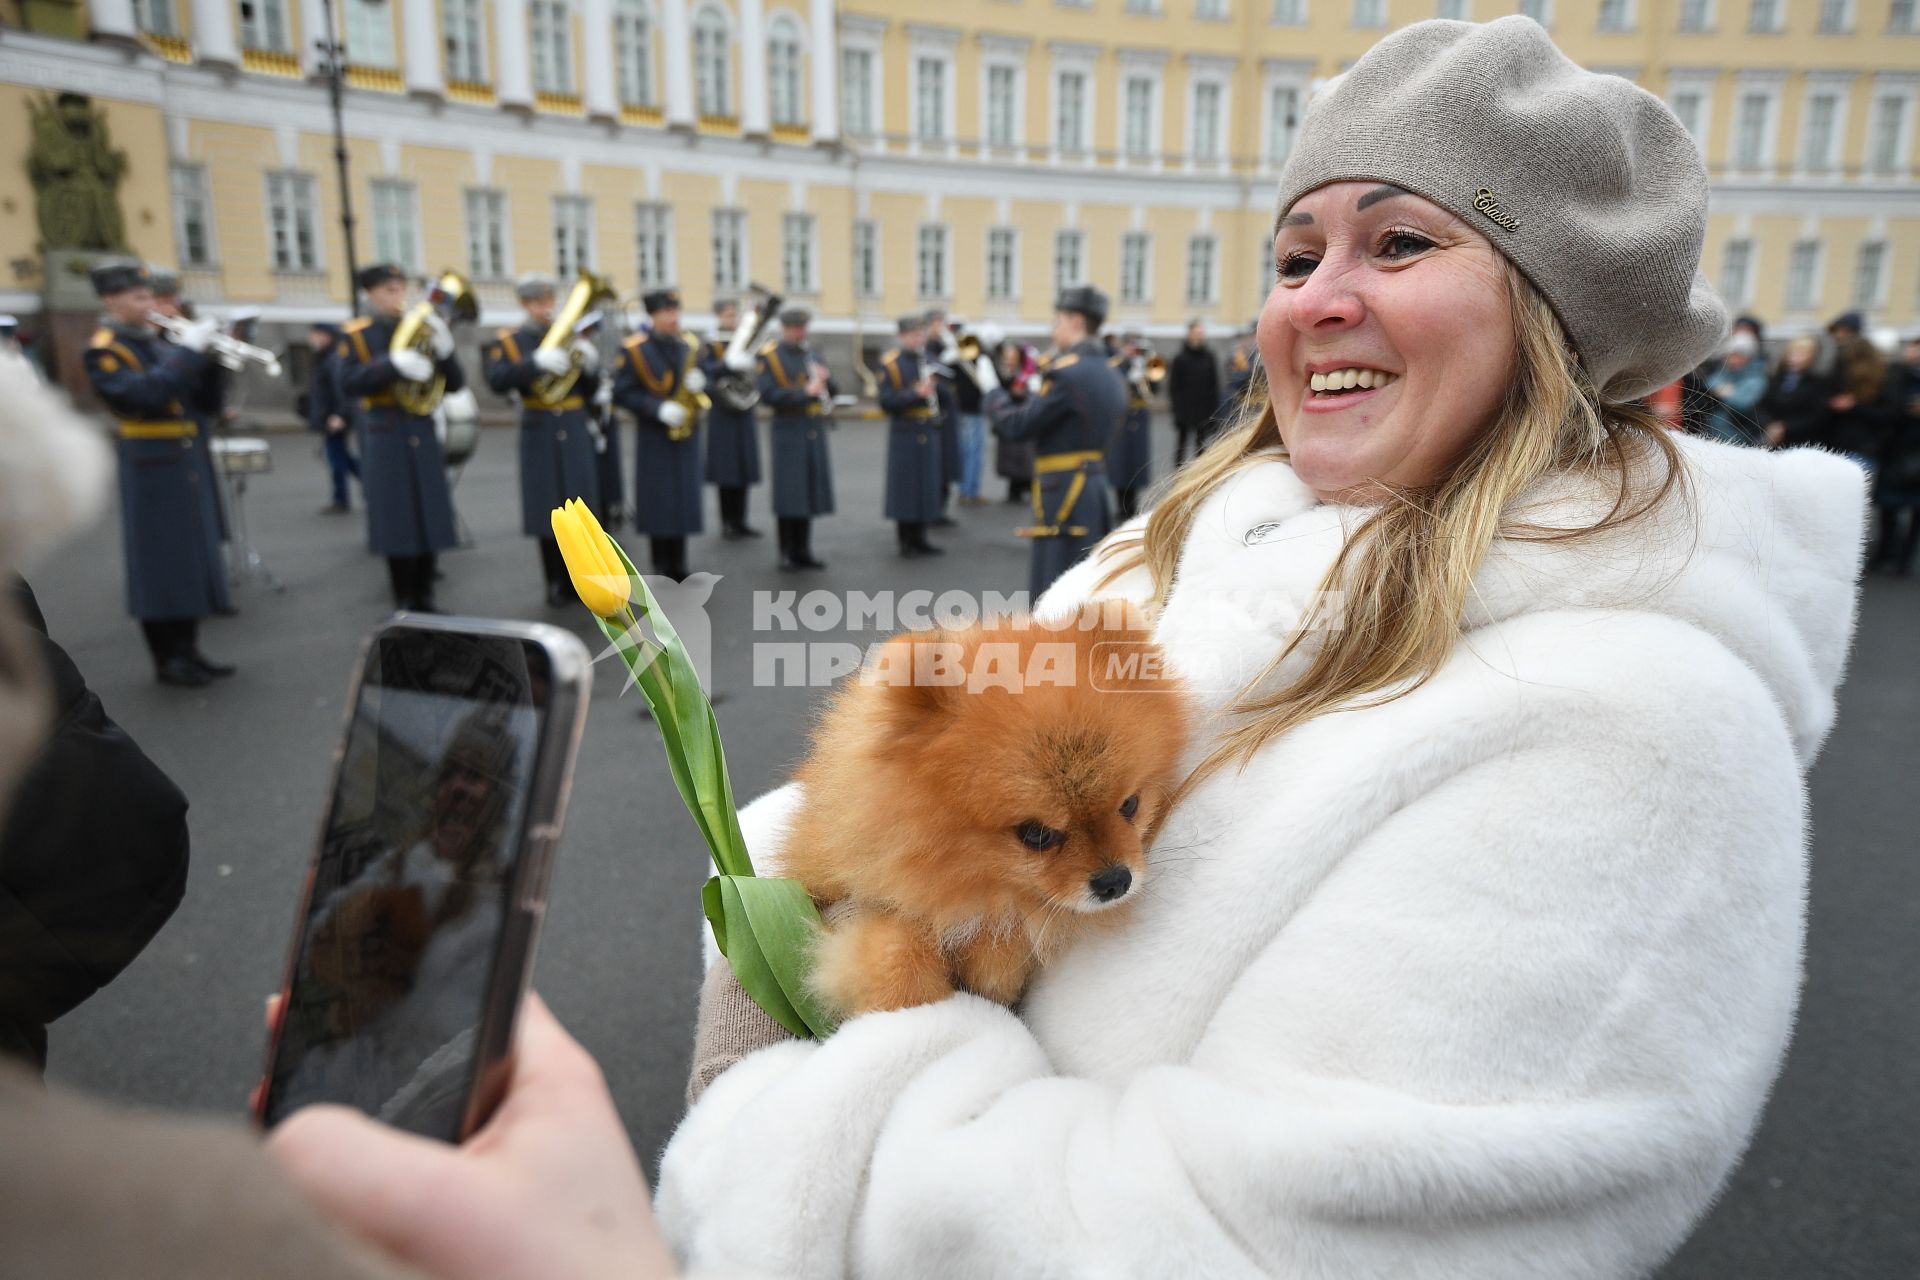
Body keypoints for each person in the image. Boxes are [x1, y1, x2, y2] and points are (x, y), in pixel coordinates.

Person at [659, 18, 1865, 1278]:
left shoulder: (1641, 728)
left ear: (1553, 316)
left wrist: (780, 1113)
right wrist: (804, 903)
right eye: (1295, 256)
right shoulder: (1184, 546)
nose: (1319, 297)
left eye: (1401, 241)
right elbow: (894, 803)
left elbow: (1238, 1241)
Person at [80, 259, 235, 685]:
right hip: (150, 463)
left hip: (183, 457)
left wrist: (214, 359)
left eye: (151, 296)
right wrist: (188, 354)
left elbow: (205, 404)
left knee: (188, 558)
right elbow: (142, 395)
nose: (151, 304)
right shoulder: (106, 348)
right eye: (139, 297)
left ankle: (189, 649)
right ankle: (167, 659)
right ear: (110, 300)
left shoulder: (160, 341)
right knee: (158, 562)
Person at [335, 263, 464, 614]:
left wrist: (446, 348)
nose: (398, 296)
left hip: (421, 426)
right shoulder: (358, 334)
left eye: (400, 289)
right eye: (389, 291)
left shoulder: (422, 328)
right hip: (385, 429)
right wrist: (391, 365)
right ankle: (405, 599)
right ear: (370, 294)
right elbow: (347, 382)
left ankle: (427, 596)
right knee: (397, 517)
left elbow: (455, 384)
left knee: (429, 510)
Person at [987, 285, 1125, 599]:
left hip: (1064, 490)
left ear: (1076, 322)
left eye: (1058, 320)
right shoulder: (1110, 373)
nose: (1054, 329)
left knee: (1054, 589)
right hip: (1093, 487)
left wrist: (993, 394)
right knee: (1085, 586)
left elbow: (1017, 426)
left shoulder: (1066, 374)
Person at [484, 274, 605, 607]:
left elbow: (589, 391)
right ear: (525, 304)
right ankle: (554, 581)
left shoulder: (571, 336)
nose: (545, 307)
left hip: (574, 423)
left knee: (582, 508)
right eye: (538, 302)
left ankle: (583, 582)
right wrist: (532, 363)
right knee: (547, 509)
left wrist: (591, 365)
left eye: (549, 300)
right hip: (539, 426)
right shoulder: (512, 340)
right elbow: (496, 380)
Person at [613, 288, 705, 583]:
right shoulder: (635, 349)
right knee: (659, 499)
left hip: (687, 432)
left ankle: (679, 563)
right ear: (652, 315)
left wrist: (703, 383)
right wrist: (656, 408)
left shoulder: (686, 345)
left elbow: (708, 385)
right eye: (666, 312)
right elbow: (623, 392)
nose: (673, 317)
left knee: (683, 498)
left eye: (676, 311)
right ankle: (661, 563)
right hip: (655, 435)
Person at [757, 306, 835, 571]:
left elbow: (832, 390)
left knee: (808, 492)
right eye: (796, 328)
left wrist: (826, 380)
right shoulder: (772, 356)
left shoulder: (812, 353)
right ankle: (787, 552)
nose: (801, 332)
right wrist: (804, 392)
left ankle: (804, 550)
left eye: (803, 327)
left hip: (811, 429)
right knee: (790, 494)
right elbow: (767, 395)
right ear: (785, 328)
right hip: (788, 430)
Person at [876, 314, 945, 558]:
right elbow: (886, 402)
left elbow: (944, 393)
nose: (918, 339)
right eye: (913, 335)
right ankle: (905, 540)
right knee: (905, 487)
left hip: (926, 428)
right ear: (902, 336)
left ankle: (921, 537)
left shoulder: (927, 360)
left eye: (920, 334)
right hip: (905, 431)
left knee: (924, 484)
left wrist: (940, 386)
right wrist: (915, 393)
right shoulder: (892, 364)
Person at [699, 298, 764, 540]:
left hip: (744, 410)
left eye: (734, 315)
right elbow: (704, 373)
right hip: (722, 412)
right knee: (726, 470)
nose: (732, 320)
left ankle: (741, 520)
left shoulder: (745, 341)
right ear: (718, 316)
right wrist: (725, 365)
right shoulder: (711, 342)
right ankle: (727, 521)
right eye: (727, 315)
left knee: (743, 466)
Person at [1868, 335, 1920, 574]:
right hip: (1896, 449)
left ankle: (1905, 560)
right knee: (1888, 507)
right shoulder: (1898, 375)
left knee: (1914, 511)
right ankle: (1886, 552)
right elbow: (1887, 406)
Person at [305, 323, 360, 514]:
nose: (311, 339)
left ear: (326, 336)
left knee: (337, 459)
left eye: (315, 334)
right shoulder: (325, 356)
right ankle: (372, 487)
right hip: (329, 417)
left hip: (335, 418)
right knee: (343, 458)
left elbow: (342, 389)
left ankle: (341, 499)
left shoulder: (333, 358)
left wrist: (340, 415)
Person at [1824, 311, 1889, 471]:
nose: (1839, 336)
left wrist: (1854, 406)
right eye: (1837, 331)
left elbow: (1886, 412)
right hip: (1835, 443)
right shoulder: (1836, 360)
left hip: (1862, 446)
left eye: (1844, 331)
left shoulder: (1878, 374)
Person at [1105, 330, 1157, 520]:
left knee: (1136, 462)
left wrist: (1145, 374)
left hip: (1140, 417)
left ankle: (1133, 503)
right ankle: (1120, 504)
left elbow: (1155, 389)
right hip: (1122, 418)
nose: (1131, 350)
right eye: (1128, 346)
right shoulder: (1114, 365)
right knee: (1120, 462)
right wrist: (1128, 379)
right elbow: (1111, 390)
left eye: (1134, 346)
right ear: (1122, 347)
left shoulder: (1144, 363)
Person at [924, 309, 964, 525]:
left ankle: (941, 509)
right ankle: (933, 510)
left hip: (949, 413)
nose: (942, 328)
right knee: (936, 465)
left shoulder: (945, 345)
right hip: (934, 415)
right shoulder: (926, 348)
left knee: (948, 463)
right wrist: (944, 360)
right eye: (937, 323)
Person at [1760, 335, 1832, 449]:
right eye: (1793, 352)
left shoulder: (1818, 382)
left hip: (1802, 443)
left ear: (1812, 357)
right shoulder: (1777, 378)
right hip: (1773, 439)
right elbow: (1762, 405)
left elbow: (1816, 416)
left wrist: (1785, 428)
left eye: (1802, 353)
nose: (1795, 357)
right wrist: (1769, 425)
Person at [1167, 318, 1221, 465]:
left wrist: (1214, 412)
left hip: (1204, 411)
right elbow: (1174, 387)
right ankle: (1178, 476)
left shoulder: (1209, 357)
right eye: (1197, 332)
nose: (1200, 336)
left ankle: (1200, 475)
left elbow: (1214, 385)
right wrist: (1177, 412)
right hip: (1185, 411)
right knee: (1181, 445)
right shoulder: (1180, 358)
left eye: (1202, 333)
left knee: (1202, 446)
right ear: (1189, 334)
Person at [1699, 332, 1769, 444]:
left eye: (1736, 355)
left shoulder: (1756, 377)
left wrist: (1722, 392)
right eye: (1728, 355)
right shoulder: (1724, 371)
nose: (1730, 359)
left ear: (1747, 357)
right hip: (1713, 433)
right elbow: (1709, 383)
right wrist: (1728, 391)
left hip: (1740, 435)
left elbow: (1743, 402)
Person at [992, 339, 1037, 503]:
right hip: (1008, 415)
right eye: (1006, 355)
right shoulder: (1002, 373)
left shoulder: (1027, 372)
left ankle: (1027, 484)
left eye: (1012, 355)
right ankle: (1014, 487)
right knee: (1011, 455)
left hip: (1023, 415)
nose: (1009, 359)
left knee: (1026, 454)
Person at [1213, 320, 1259, 444]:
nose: (1251, 340)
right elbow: (1235, 380)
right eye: (1251, 336)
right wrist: (1246, 373)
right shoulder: (1234, 357)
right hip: (1233, 406)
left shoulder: (1254, 357)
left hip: (1250, 409)